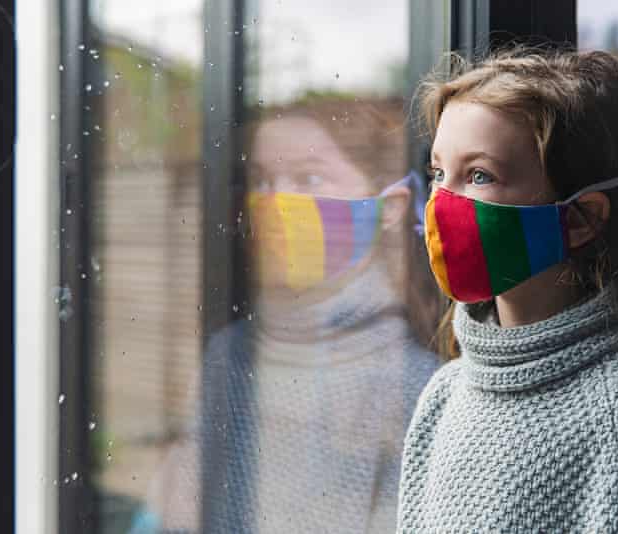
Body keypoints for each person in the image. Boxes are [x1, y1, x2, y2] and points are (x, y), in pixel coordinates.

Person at [396, 47, 618, 533]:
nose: (441, 202)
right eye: (439, 173)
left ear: (582, 218)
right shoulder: (443, 396)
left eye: (480, 175)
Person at [129, 97, 443, 533]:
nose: (276, 201)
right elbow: (172, 508)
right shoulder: (231, 352)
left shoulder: (415, 381)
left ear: (389, 208)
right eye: (261, 180)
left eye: (309, 177)